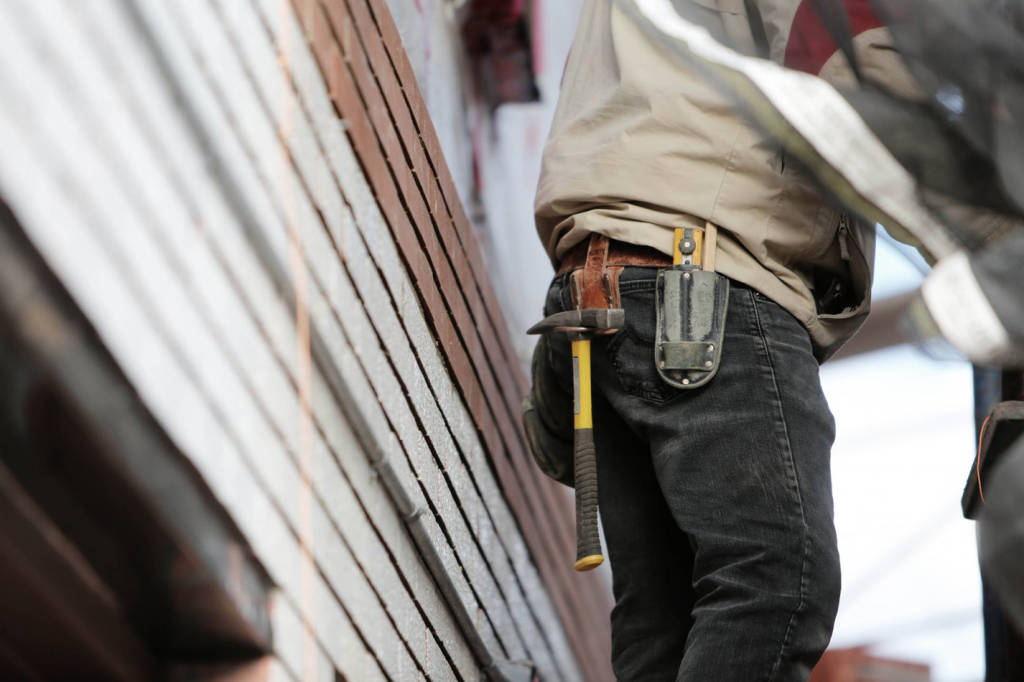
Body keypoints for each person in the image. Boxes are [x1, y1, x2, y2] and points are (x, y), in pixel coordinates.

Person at [526, 0, 906, 679]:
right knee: (778, 581)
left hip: (604, 283)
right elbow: (874, 91)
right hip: (702, 280)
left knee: (663, 624)